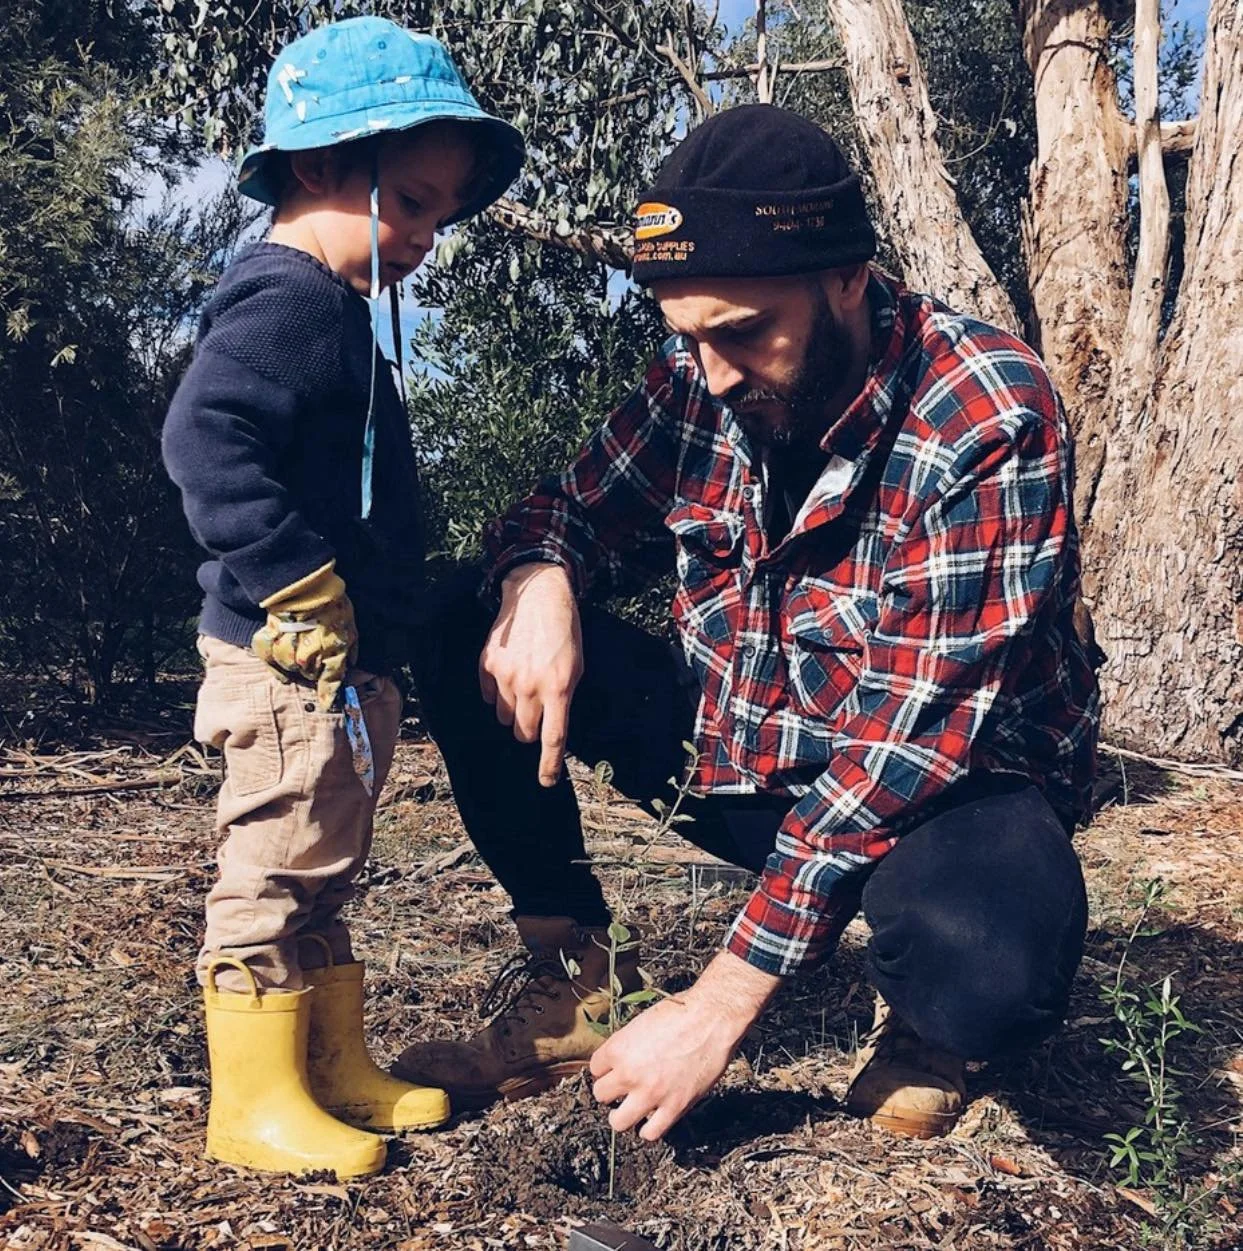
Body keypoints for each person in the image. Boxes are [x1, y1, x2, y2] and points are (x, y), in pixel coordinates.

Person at [393, 105, 1100, 1142]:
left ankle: (927, 1028)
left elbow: (906, 744)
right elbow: (565, 508)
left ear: (848, 280)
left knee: (990, 963)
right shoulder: (702, 378)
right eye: (688, 335)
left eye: (743, 332)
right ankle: (573, 975)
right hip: (751, 750)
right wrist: (540, 578)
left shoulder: (986, 414)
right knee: (467, 615)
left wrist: (722, 1000)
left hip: (943, 787)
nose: (714, 371)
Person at [161, 16, 523, 1177]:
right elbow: (204, 438)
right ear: (323, 167)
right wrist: (297, 583)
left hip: (334, 660)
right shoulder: (290, 303)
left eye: (436, 214)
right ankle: (252, 1105)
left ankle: (328, 1067)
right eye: (410, 202)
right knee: (273, 866)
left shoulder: (331, 311)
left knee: (322, 859)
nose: (425, 237)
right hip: (283, 658)